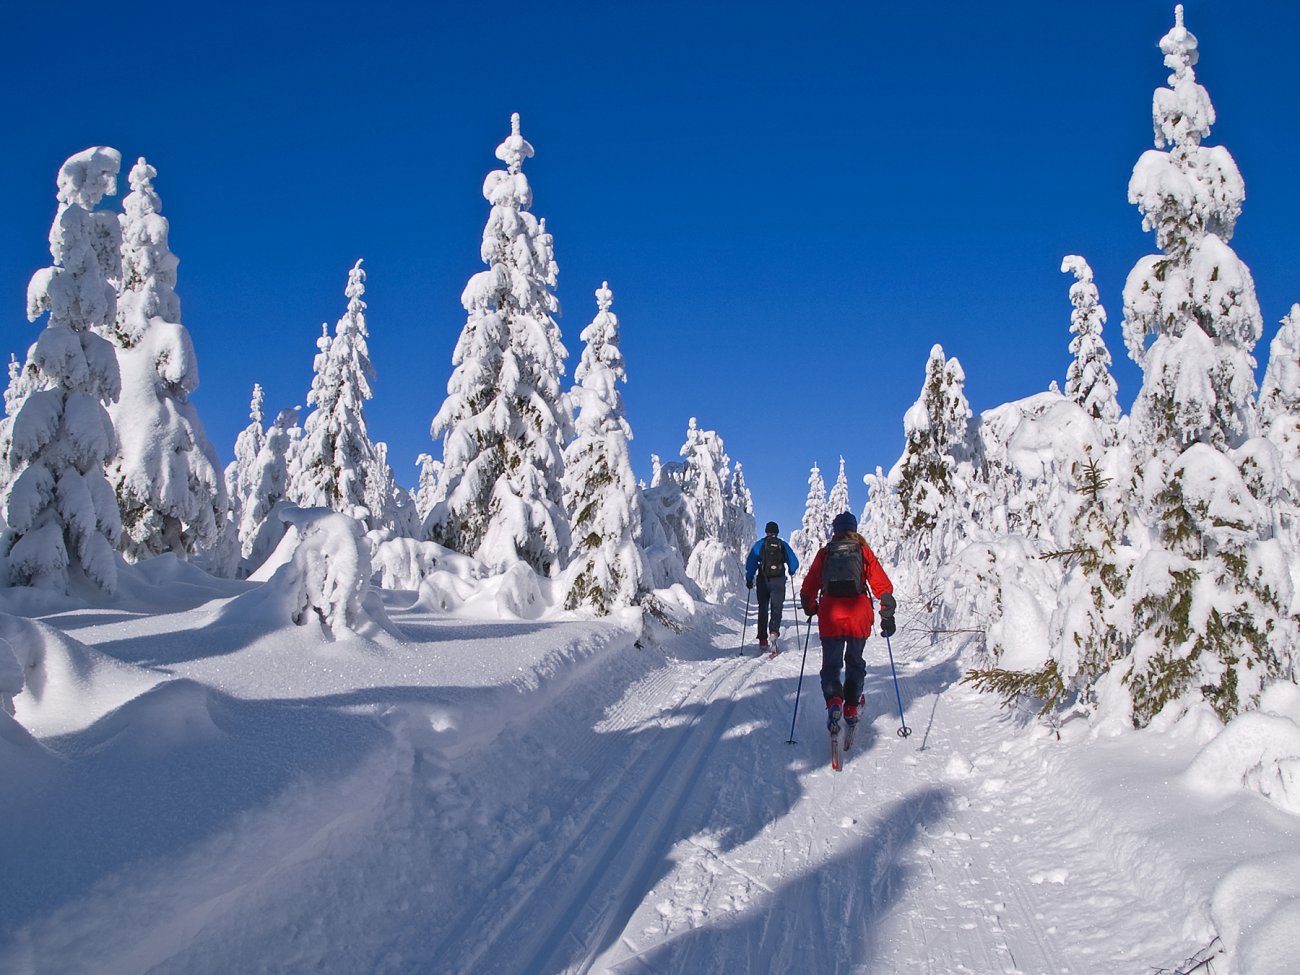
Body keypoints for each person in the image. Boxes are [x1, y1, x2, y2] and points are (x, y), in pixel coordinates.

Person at [799, 511, 896, 732]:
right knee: (855, 662)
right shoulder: (862, 551)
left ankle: (834, 701)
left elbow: (809, 586)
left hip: (830, 616)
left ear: (835, 530)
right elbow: (882, 585)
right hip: (858, 617)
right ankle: (851, 707)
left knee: (831, 666)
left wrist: (811, 607)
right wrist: (887, 614)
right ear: (854, 528)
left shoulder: (825, 553)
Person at [744, 521, 799, 650]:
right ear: (777, 532)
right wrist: (791, 571)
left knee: (763, 608)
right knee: (776, 608)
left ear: (766, 531)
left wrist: (749, 578)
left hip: (763, 581)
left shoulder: (760, 544)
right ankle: (774, 633)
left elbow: (751, 563)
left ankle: (763, 640)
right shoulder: (782, 545)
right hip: (778, 581)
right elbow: (794, 563)